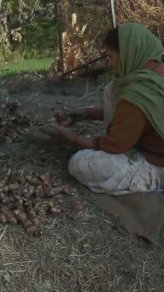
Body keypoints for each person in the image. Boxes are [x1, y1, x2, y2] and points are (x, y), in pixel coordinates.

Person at [42, 23, 164, 195]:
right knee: (112, 89)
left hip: (157, 164)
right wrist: (84, 114)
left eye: (111, 57)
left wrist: (70, 137)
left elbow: (114, 146)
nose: (110, 65)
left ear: (128, 53)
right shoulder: (156, 68)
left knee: (79, 163)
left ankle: (152, 181)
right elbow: (128, 115)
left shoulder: (138, 92)